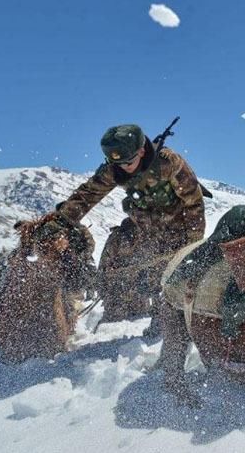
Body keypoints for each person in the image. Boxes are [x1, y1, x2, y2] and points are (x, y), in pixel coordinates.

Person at [53, 123, 206, 328]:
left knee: (170, 277)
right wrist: (60, 222)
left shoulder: (168, 163)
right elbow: (87, 195)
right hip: (141, 227)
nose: (124, 167)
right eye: (118, 163)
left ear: (141, 151)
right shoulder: (114, 169)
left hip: (177, 230)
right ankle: (118, 313)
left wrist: (192, 245)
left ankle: (167, 318)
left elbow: (193, 202)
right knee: (113, 257)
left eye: (129, 162)